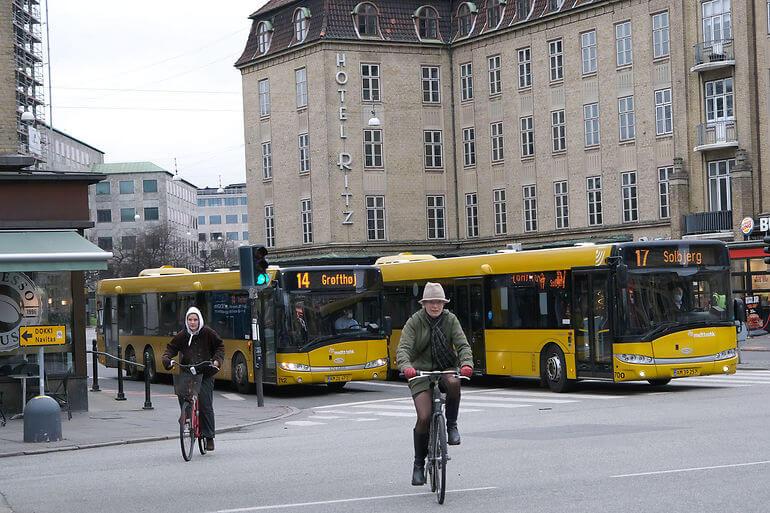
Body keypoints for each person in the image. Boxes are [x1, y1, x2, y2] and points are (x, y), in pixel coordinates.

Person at [396, 282, 473, 486]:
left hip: (445, 367)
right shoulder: (415, 321)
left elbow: (462, 345)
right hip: (420, 372)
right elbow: (403, 348)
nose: (435, 306)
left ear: (443, 303)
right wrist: (406, 367)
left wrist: (466, 363)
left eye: (439, 302)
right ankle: (419, 465)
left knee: (454, 383)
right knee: (424, 416)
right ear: (424, 304)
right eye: (431, 302)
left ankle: (452, 426)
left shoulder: (450, 320)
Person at [162, 306, 224, 451]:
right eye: (190, 319)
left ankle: (209, 437)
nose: (192, 322)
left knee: (205, 403)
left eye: (195, 320)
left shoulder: (208, 333)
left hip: (206, 372)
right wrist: (167, 360)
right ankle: (187, 415)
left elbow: (220, 347)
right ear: (186, 321)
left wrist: (216, 361)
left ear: (199, 320)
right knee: (182, 395)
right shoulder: (182, 335)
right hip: (187, 371)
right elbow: (170, 348)